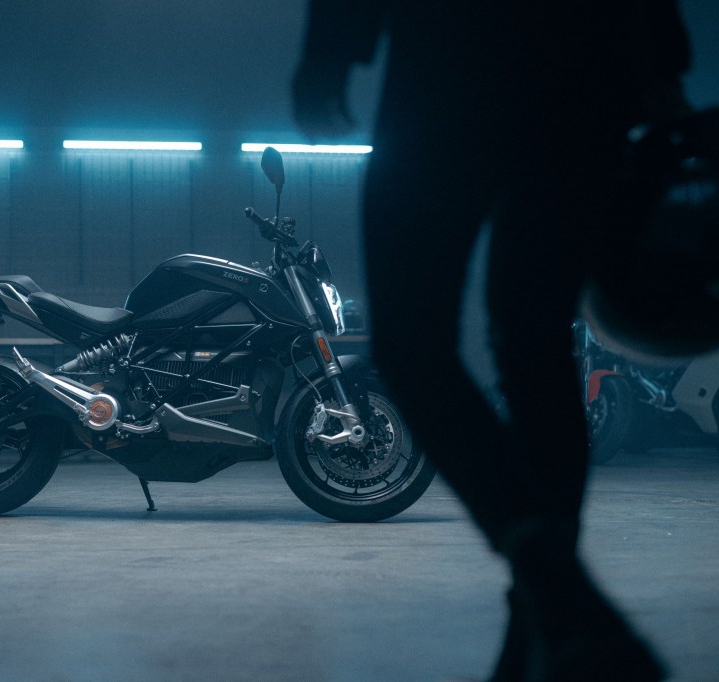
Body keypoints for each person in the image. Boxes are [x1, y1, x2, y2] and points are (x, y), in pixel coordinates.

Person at [293, 2, 690, 681]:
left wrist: (333, 45)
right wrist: (659, 51)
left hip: (449, 59)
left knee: (413, 342)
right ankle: (548, 621)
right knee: (534, 346)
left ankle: (556, 602)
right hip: (589, 63)